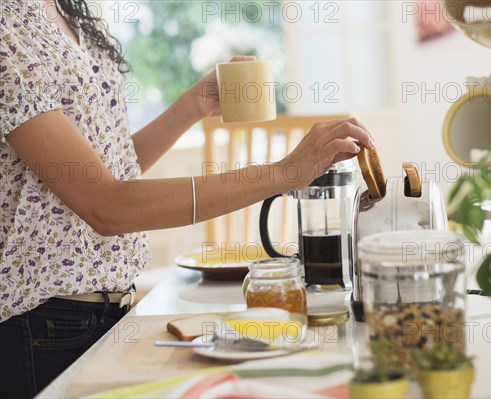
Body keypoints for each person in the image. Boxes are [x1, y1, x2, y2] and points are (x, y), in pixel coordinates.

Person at [0, 0, 374, 397]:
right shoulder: (9, 33)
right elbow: (106, 205)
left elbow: (107, 167)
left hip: (104, 310)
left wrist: (191, 107)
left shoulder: (61, 11)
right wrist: (285, 172)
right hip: (43, 322)